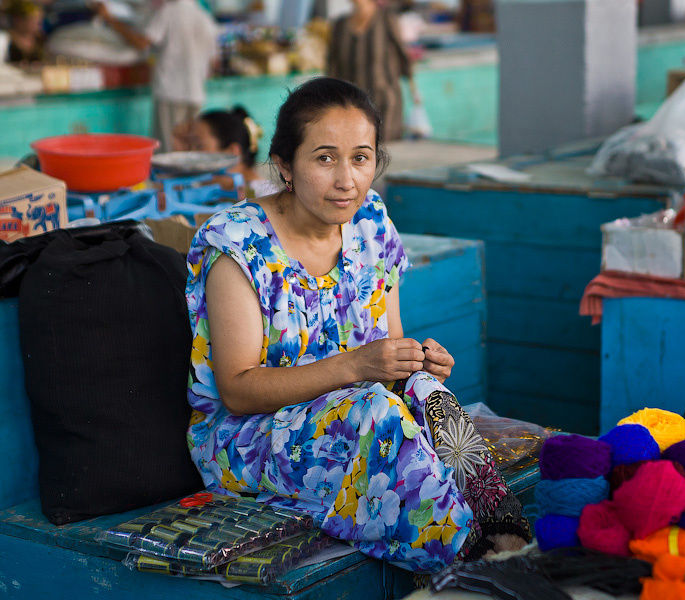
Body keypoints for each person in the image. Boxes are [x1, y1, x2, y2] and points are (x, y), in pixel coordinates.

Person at [184, 77, 531, 572]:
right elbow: (238, 391)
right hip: (249, 438)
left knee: (425, 392)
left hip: (354, 413)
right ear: (284, 164)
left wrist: (415, 362)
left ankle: (505, 533)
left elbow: (387, 349)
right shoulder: (238, 244)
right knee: (373, 409)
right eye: (324, 158)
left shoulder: (371, 223)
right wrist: (359, 366)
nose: (347, 179)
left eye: (361, 158)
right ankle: (473, 564)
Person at [91, 0, 218, 152]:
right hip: (196, 94)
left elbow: (142, 43)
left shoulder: (170, 11)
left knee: (168, 151)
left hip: (171, 92)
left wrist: (109, 18)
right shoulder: (204, 17)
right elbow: (213, 62)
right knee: (189, 151)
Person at [327, 0, 420, 141]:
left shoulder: (386, 19)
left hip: (385, 103)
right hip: (351, 106)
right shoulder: (339, 25)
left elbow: (403, 57)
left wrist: (414, 91)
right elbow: (332, 66)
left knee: (385, 152)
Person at [175, 106, 281, 199]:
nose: (192, 154)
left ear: (231, 152)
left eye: (199, 146)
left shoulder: (264, 196)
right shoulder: (205, 190)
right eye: (189, 146)